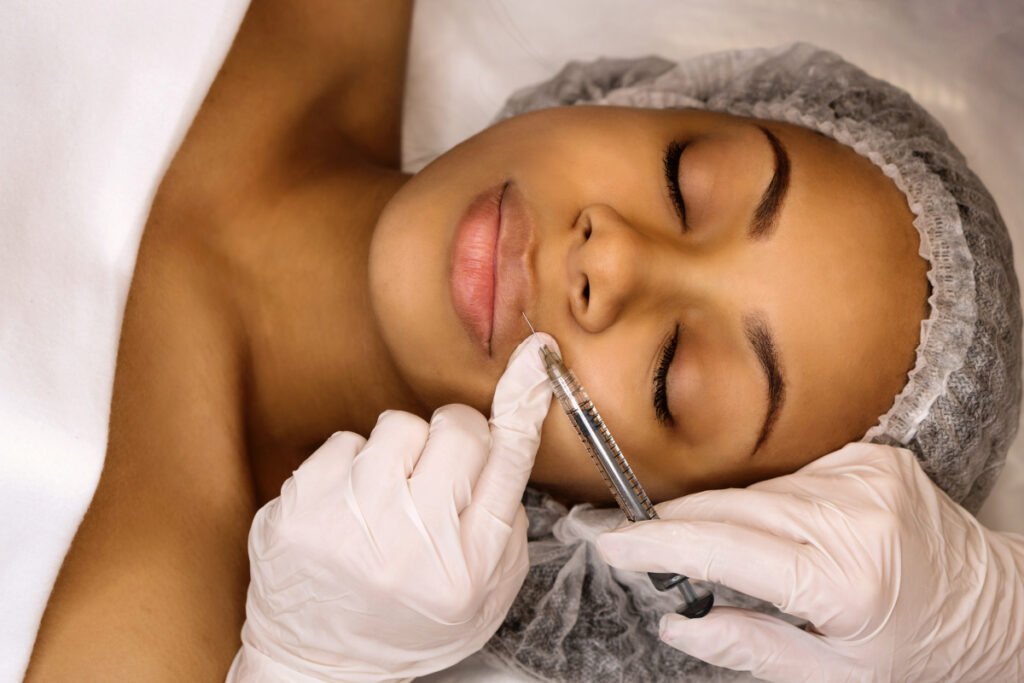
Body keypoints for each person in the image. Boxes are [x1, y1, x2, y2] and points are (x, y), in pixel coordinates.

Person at [25, 1, 1021, 681]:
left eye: (675, 376)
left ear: (625, 528)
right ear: (646, 95)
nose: (612, 264)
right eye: (684, 179)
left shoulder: (149, 620)